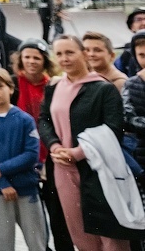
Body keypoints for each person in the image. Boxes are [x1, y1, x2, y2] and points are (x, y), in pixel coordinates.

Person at [40, 34, 138, 251]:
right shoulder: (54, 88)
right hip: (63, 167)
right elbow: (44, 120)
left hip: (98, 167)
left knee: (110, 233)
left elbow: (113, 128)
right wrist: (55, 146)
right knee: (79, 231)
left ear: (83, 54)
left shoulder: (103, 89)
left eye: (70, 52)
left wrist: (78, 152)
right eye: (59, 54)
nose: (64, 58)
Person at [0, 67, 45, 251]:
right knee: (3, 242)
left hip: (26, 188)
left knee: (36, 241)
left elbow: (31, 155)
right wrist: (3, 183)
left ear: (10, 88)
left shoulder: (24, 119)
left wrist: (1, 169)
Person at [13, 40, 72, 251]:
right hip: (23, 156)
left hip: (49, 156)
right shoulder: (13, 84)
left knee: (57, 211)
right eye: (27, 57)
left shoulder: (53, 86)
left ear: (45, 61)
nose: (31, 61)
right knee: (32, 213)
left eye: (36, 57)